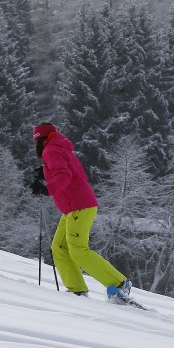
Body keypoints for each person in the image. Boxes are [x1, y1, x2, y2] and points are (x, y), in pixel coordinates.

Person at [32, 122, 135, 304]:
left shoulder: (51, 151)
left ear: (40, 139)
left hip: (78, 206)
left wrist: (47, 189)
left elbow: (64, 176)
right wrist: (46, 173)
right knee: (60, 248)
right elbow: (70, 172)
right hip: (75, 207)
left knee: (78, 250)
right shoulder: (59, 147)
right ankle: (77, 290)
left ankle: (119, 283)